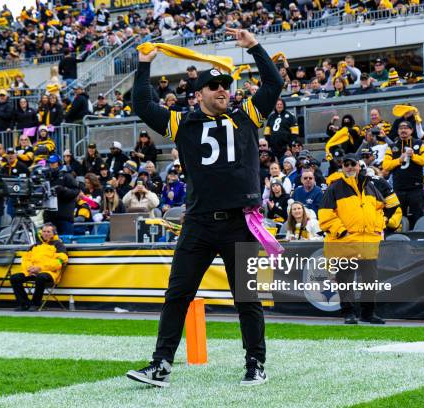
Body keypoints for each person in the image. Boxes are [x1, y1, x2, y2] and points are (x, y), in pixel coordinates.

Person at [126, 27, 282, 387]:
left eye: (226, 85)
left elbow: (273, 86)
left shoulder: (247, 115)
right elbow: (143, 105)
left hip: (239, 222)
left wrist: (255, 47)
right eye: (216, 86)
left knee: (247, 297)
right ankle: (161, 364)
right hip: (198, 222)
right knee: (178, 293)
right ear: (199, 95)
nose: (224, 90)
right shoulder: (183, 121)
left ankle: (255, 363)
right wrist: (144, 64)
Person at [318, 153, 386, 325]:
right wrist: (342, 232)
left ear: (358, 166)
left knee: (370, 281)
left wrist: (377, 227)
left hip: (368, 244)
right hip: (345, 244)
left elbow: (380, 209)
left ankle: (368, 313)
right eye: (345, 164)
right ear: (342, 167)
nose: (349, 167)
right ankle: (348, 313)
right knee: (345, 280)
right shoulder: (334, 187)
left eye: (352, 164)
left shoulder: (369, 186)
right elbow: (325, 215)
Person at [382, 120, 424, 229]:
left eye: (406, 128)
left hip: (416, 188)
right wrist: (399, 160)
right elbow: (385, 165)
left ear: (411, 130)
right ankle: (399, 241)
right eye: (401, 128)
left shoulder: (420, 143)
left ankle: (418, 241)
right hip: (399, 188)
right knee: (399, 217)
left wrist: (413, 156)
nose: (403, 130)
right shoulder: (392, 146)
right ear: (398, 131)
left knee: (417, 216)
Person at [10, 223, 68, 311]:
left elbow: (59, 262)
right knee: (14, 278)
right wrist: (30, 268)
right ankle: (24, 304)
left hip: (50, 273)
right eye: (44, 231)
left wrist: (40, 268)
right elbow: (25, 259)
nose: (45, 233)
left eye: (48, 231)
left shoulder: (59, 245)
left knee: (41, 277)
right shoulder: (35, 246)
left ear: (54, 233)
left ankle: (36, 303)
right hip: (31, 272)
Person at [43, 154, 80, 235]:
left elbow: (76, 191)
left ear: (59, 163)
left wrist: (63, 190)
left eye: (53, 163)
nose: (51, 165)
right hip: (50, 217)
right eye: (50, 163)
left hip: (64, 217)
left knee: (66, 242)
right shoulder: (46, 176)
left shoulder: (67, 176)